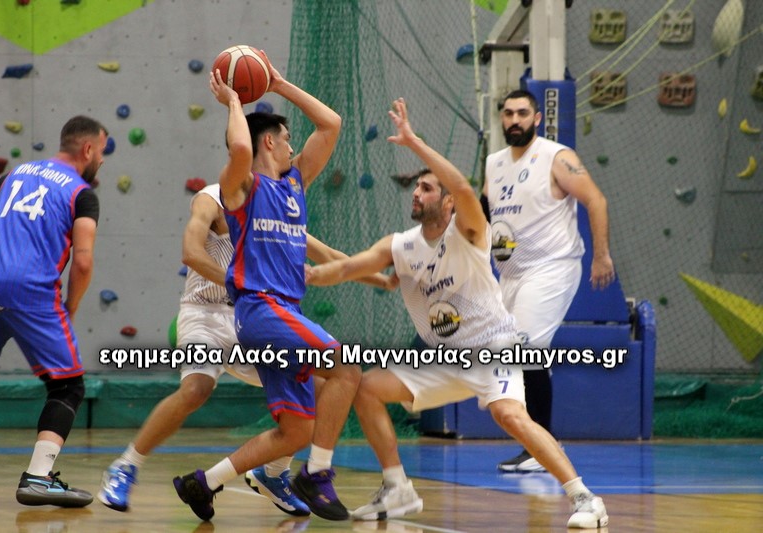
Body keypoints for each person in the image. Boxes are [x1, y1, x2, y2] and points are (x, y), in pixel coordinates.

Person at [306, 98, 609, 529]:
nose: (417, 192)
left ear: (448, 203)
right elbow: (346, 268)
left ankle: (585, 498)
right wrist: (308, 275)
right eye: (416, 187)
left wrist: (414, 142)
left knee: (510, 416)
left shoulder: (468, 232)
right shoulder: (401, 245)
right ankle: (397, 488)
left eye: (428, 188)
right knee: (368, 387)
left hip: (492, 346)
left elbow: (465, 190)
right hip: (445, 357)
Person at [98, 183, 393, 515]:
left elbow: (330, 256)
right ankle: (126, 465)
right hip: (205, 313)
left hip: (250, 318)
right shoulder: (212, 199)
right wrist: (239, 282)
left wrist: (382, 279)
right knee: (196, 389)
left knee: (322, 388)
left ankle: (274, 473)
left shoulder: (275, 209)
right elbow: (191, 253)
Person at [172, 55, 360, 522]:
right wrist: (235, 101)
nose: (294, 146)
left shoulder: (294, 184)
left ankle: (203, 482)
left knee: (295, 431)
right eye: (287, 138)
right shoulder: (241, 189)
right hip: (262, 310)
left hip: (281, 316)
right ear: (270, 141)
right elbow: (240, 147)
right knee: (346, 368)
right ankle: (317, 474)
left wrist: (278, 84)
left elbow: (331, 124)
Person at [0, 116, 107, 507]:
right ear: (88, 149)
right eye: (102, 153)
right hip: (31, 291)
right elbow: (82, 262)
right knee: (68, 386)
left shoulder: (13, 175)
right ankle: (38, 478)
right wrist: (70, 307)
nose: (102, 161)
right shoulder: (81, 193)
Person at [483, 89, 615, 473]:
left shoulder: (557, 157)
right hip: (510, 274)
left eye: (522, 113)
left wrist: (601, 255)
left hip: (551, 268)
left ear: (537, 118)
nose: (515, 120)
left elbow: (596, 200)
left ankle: (543, 449)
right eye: (508, 113)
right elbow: (483, 212)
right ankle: (536, 447)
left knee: (525, 350)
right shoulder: (494, 163)